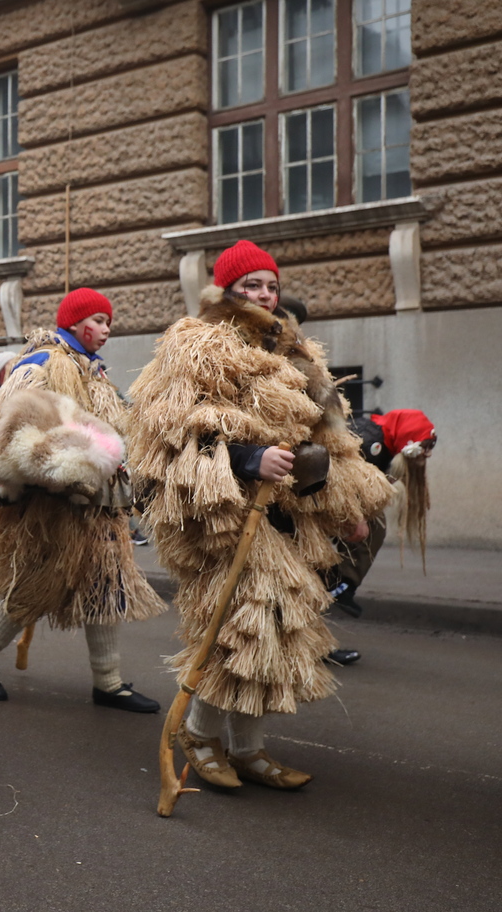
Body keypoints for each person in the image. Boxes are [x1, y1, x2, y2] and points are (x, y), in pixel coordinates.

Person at [128, 240, 390, 790]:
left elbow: (332, 438)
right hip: (225, 520)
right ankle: (200, 735)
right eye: (252, 286)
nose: (265, 294)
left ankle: (248, 748)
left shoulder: (298, 353)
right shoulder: (198, 345)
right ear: (228, 291)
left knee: (271, 636)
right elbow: (173, 437)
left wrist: (347, 507)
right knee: (235, 633)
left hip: (290, 519)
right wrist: (249, 459)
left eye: (271, 285)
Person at [0, 288, 166, 711]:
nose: (106, 329)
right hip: (54, 506)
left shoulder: (94, 371)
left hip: (101, 507)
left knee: (105, 586)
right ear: (74, 323)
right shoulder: (44, 363)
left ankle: (108, 683)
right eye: (98, 320)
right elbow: (6, 426)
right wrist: (56, 473)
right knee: (37, 587)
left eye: (109, 322)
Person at [323, 408, 437, 664]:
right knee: (371, 525)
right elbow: (338, 476)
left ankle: (336, 588)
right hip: (312, 508)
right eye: (425, 445)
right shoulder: (369, 440)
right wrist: (355, 516)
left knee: (374, 524)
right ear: (409, 439)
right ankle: (339, 585)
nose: (428, 452)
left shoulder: (384, 446)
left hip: (327, 510)